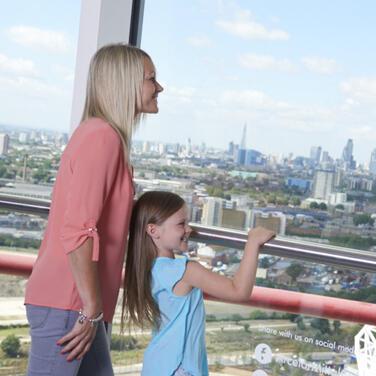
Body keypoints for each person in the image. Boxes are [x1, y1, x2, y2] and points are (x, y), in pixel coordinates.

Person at [24, 43, 164, 375]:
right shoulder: (102, 138)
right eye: (151, 78)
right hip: (70, 304)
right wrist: (89, 309)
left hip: (82, 303)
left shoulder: (103, 136)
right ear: (124, 83)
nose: (159, 87)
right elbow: (78, 230)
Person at [122, 191, 275, 376]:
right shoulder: (184, 271)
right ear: (153, 230)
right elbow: (239, 291)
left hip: (158, 365)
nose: (189, 229)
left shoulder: (146, 268)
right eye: (181, 224)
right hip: (179, 369)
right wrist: (253, 242)